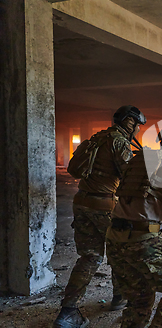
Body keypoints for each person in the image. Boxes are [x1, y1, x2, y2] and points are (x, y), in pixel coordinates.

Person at [54, 105, 146, 328]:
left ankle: (67, 313)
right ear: (129, 122)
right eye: (136, 125)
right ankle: (119, 297)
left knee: (90, 257)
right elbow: (129, 177)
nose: (137, 131)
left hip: (82, 202)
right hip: (104, 206)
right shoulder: (119, 143)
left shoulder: (98, 138)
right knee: (120, 252)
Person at [105, 121, 162, 328]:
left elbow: (142, 197)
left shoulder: (142, 159)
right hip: (143, 239)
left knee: (140, 299)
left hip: (115, 237)